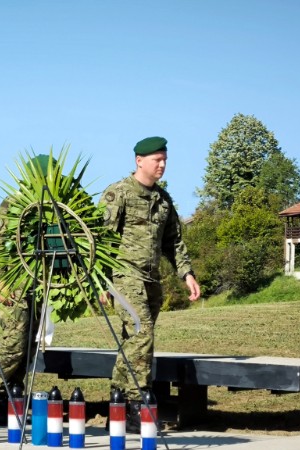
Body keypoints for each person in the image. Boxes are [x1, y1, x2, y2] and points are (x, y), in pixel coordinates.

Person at [99, 136, 201, 432]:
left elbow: (174, 242)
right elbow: (100, 241)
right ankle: (137, 404)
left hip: (151, 280)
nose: (163, 165)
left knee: (133, 343)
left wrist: (187, 274)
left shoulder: (163, 200)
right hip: (123, 277)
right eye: (157, 159)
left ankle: (116, 405)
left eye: (165, 159)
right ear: (139, 160)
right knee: (142, 333)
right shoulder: (118, 193)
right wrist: (100, 283)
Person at [0, 155, 55, 424]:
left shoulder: (51, 204)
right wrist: (1, 285)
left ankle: (12, 394)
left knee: (28, 344)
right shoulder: (13, 204)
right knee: (14, 342)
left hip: (37, 284)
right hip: (12, 284)